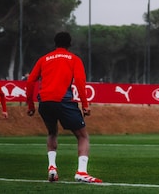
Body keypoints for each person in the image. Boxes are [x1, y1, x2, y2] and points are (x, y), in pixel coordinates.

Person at [26, 32, 102, 183]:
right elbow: (80, 81)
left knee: (52, 132)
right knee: (82, 136)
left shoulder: (43, 59)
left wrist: (30, 104)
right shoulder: (74, 59)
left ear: (55, 43)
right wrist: (85, 105)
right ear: (70, 44)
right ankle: (81, 172)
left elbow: (30, 82)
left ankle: (52, 168)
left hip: (45, 102)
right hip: (64, 101)